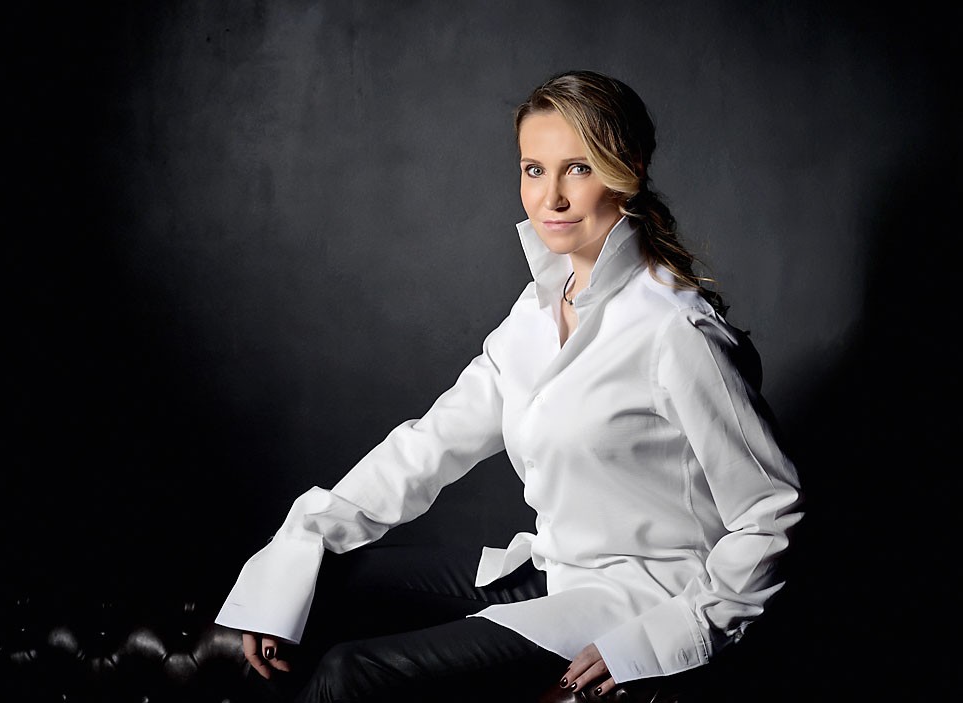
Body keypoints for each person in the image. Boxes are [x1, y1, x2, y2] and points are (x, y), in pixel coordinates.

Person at [215, 69, 803, 703]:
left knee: (351, 673)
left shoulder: (676, 330)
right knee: (317, 586)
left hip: (639, 597)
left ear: (627, 169)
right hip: (552, 571)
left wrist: (675, 634)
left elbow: (770, 515)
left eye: (577, 169)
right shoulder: (537, 310)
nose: (551, 197)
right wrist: (302, 539)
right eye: (533, 170)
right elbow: (426, 447)